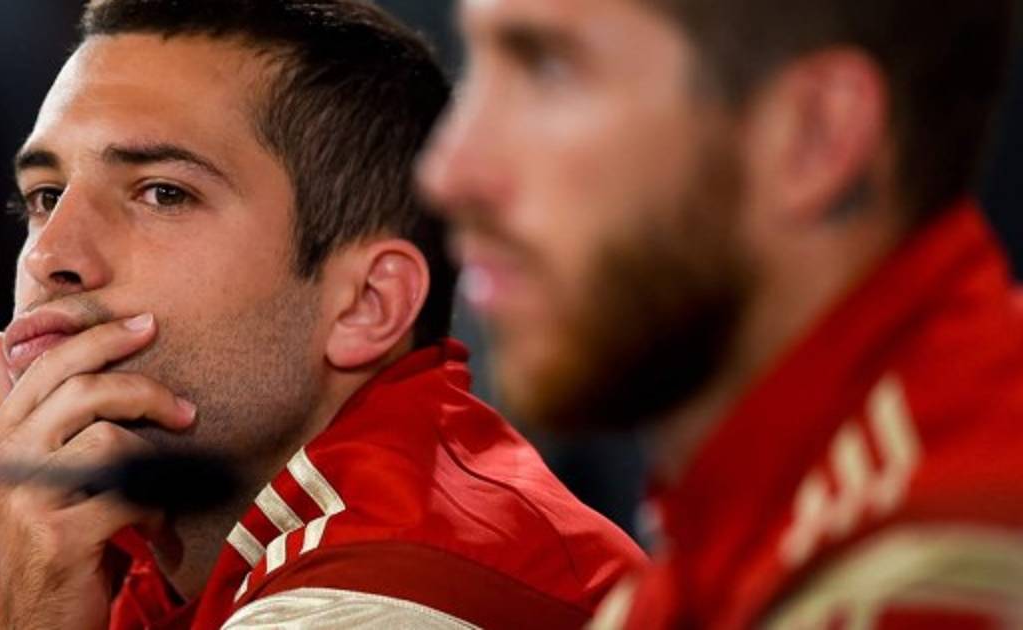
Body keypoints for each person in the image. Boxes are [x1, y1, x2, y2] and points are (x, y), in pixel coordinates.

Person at [0, 1, 646, 628]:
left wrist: (33, 608)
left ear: (366, 305)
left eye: (163, 193)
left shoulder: (393, 592)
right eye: (45, 196)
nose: (49, 255)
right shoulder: (135, 559)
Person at [419, 0, 1023, 627]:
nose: (447, 173)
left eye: (549, 70)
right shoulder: (728, 550)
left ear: (814, 135)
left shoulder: (930, 582)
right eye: (473, 70)